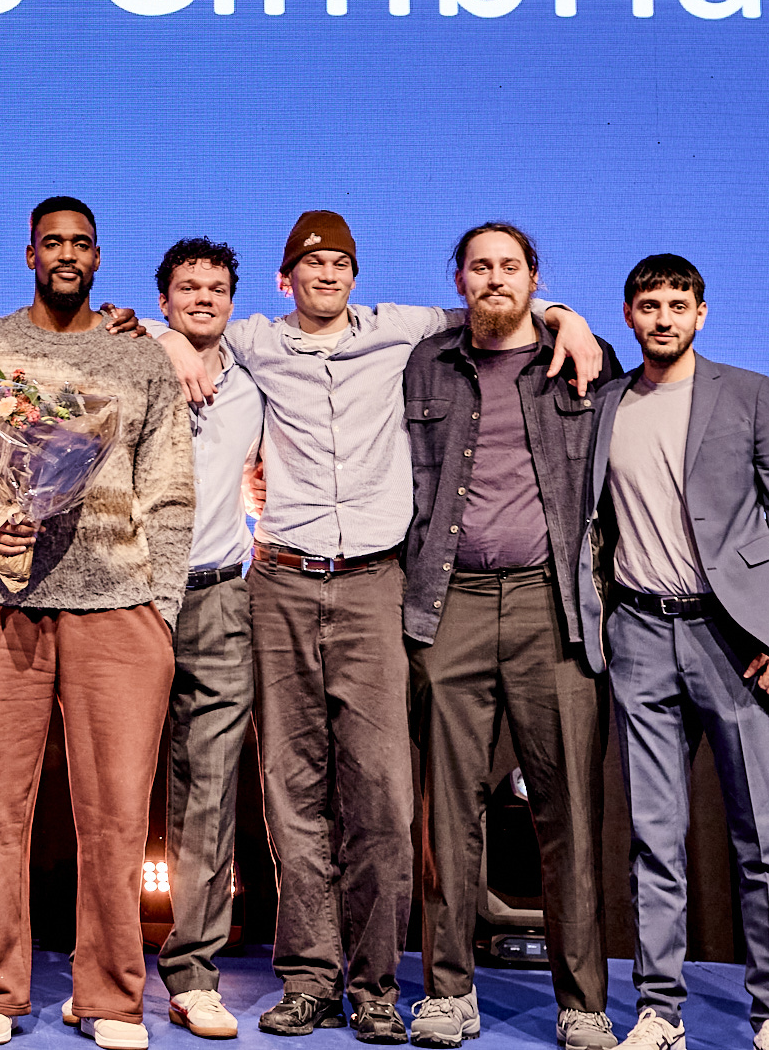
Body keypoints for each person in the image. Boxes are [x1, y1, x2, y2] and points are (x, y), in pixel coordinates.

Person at [153, 210, 601, 1044]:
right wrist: (172, 340)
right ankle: (309, 979)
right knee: (293, 794)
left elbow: (494, 308)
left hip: (374, 585)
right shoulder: (256, 340)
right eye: (311, 263)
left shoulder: (401, 331)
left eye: (341, 262)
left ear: (355, 276)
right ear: (285, 279)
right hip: (281, 583)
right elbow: (158, 321)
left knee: (387, 798)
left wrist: (563, 314)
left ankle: (375, 984)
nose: (328, 273)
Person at [0, 197, 193, 1050]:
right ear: (30, 254)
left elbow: (170, 489)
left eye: (81, 243)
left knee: (116, 817)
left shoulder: (138, 358)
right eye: (52, 243)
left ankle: (109, 996)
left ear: (98, 257)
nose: (66, 254)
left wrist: (162, 607)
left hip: (118, 610)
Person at [592, 255, 769, 1050]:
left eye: (678, 304)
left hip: (736, 640)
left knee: (762, 839)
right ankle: (660, 1011)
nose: (663, 317)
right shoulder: (607, 402)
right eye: (649, 304)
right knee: (654, 837)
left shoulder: (750, 393)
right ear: (628, 314)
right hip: (639, 634)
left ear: (701, 313)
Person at [401, 224, 622, 1050]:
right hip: (447, 601)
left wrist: (569, 320)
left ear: (535, 277)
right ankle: (449, 992)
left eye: (510, 266)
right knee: (447, 812)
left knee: (569, 813)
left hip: (549, 604)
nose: (495, 278)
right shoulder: (427, 361)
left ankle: (583, 1003)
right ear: (458, 278)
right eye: (480, 266)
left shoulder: (582, 361)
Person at [136, 239, 263, 1042]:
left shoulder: (257, 378)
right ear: (165, 298)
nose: (203, 298)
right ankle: (106, 970)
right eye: (188, 287)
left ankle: (193, 976)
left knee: (209, 794)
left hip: (220, 596)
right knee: (116, 792)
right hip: (134, 598)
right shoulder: (136, 357)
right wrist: (162, 340)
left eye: (217, 287)